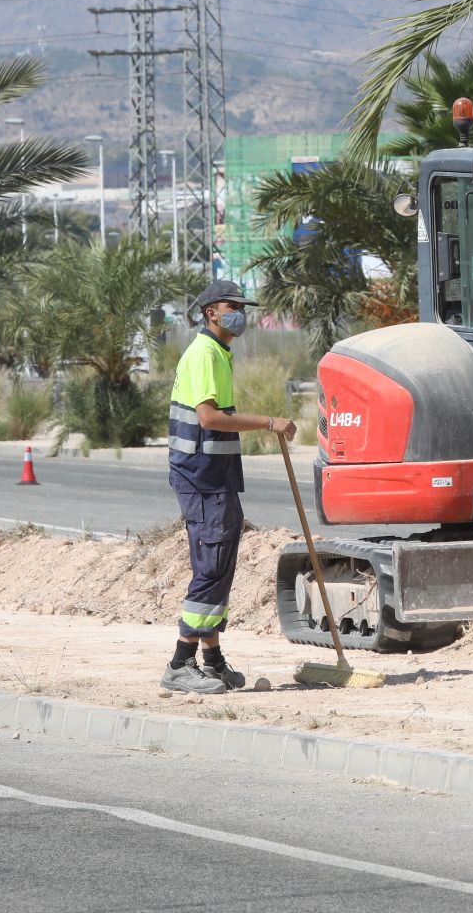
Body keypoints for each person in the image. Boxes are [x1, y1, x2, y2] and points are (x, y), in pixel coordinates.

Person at [160, 279, 298, 695]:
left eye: (242, 305)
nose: (240, 311)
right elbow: (209, 418)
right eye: (231, 305)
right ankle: (180, 663)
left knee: (220, 569)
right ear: (210, 313)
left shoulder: (219, 353)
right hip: (201, 477)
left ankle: (213, 660)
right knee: (211, 569)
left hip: (214, 477)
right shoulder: (203, 353)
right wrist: (269, 422)